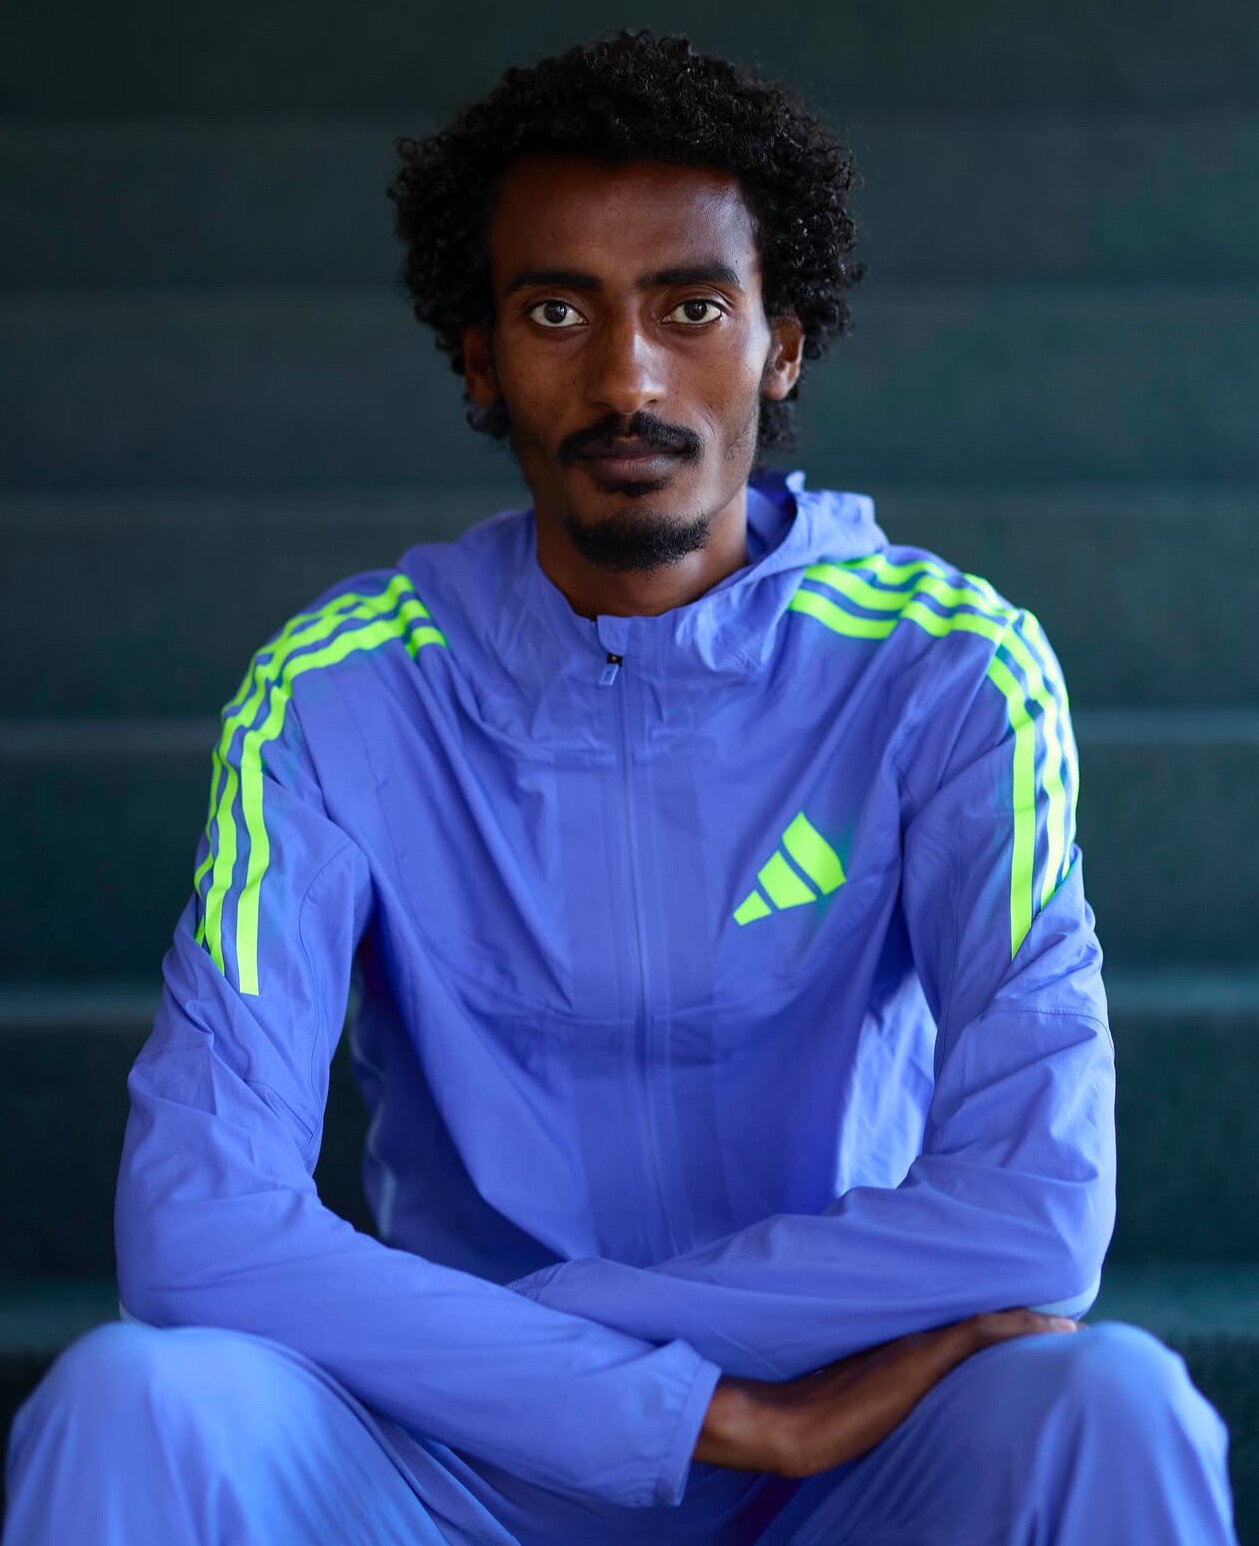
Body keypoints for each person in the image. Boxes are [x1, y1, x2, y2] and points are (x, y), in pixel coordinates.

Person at [3, 28, 1238, 1546]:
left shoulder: (950, 667)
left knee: (1112, 1403)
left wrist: (550, 1338)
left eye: (692, 307)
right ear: (479, 355)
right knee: (128, 1400)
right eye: (556, 311)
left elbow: (1036, 1211)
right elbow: (193, 1223)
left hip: (848, 1457)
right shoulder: (333, 694)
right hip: (450, 1465)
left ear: (782, 344)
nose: (627, 377)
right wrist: (689, 1407)